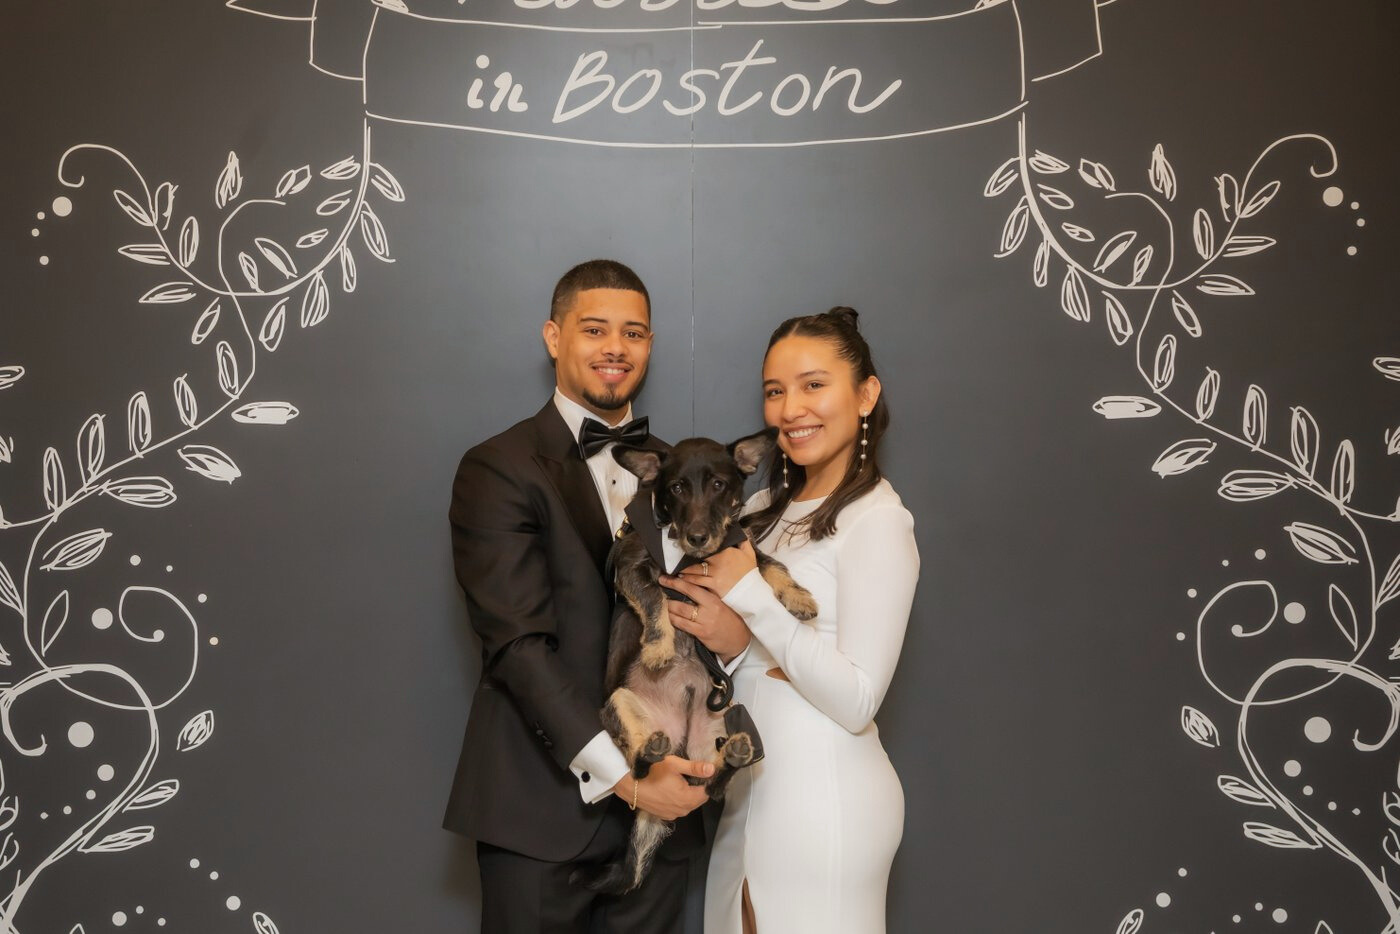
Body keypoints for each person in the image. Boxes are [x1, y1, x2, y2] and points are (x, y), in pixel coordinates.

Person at [443, 259, 715, 933]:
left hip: (661, 820)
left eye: (634, 333)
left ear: (650, 345)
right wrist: (625, 777)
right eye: (595, 329)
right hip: (539, 810)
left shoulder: (682, 468)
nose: (615, 348)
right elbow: (517, 645)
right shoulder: (497, 467)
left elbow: (705, 617)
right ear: (553, 337)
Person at [661, 308, 920, 934]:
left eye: (813, 385)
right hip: (749, 792)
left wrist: (751, 599)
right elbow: (736, 647)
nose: (790, 408)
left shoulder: (878, 522)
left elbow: (857, 699)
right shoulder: (757, 509)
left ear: (865, 394)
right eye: (775, 392)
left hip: (824, 800)